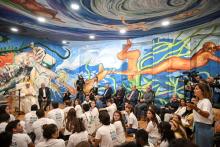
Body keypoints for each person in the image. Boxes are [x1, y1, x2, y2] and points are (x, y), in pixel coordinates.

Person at [187, 83, 214, 147]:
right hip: (199, 126)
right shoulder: (200, 101)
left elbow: (206, 114)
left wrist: (195, 108)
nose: (194, 90)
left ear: (202, 91)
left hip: (204, 128)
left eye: (196, 89)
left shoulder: (206, 101)